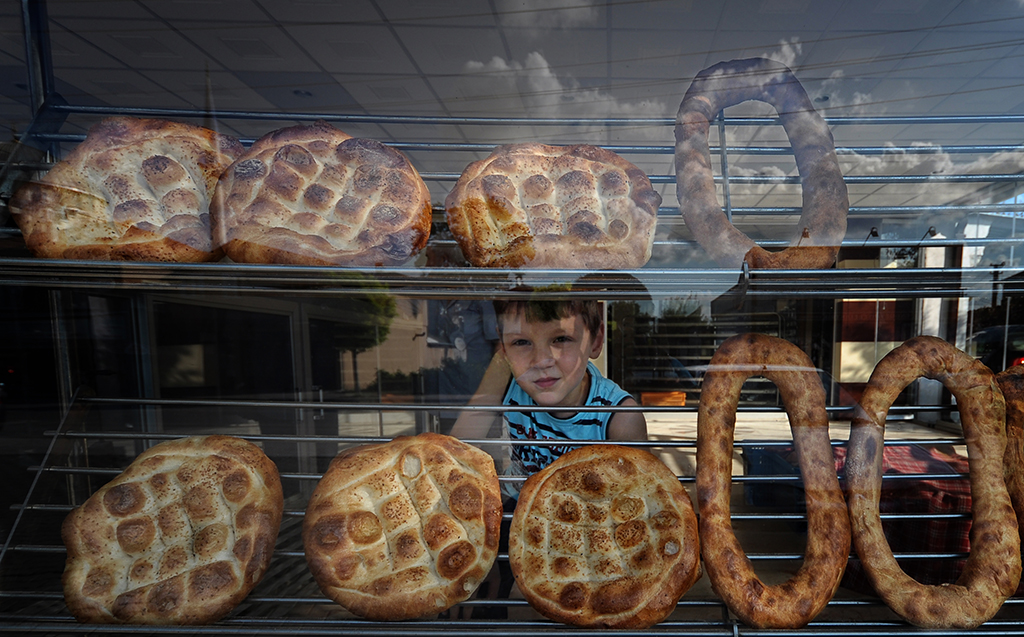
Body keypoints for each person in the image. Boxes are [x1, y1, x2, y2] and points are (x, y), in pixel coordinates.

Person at [448, 292, 646, 618]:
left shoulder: (619, 417)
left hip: (587, 523)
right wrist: (502, 365)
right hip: (518, 507)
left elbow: (629, 514)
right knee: (474, 575)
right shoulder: (509, 381)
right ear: (503, 347)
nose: (542, 359)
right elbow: (456, 448)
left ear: (595, 339)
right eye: (522, 343)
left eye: (561, 338)